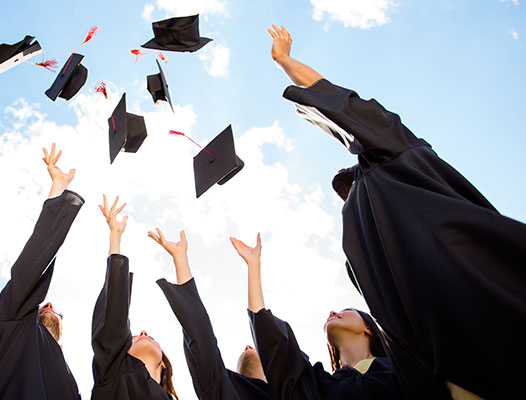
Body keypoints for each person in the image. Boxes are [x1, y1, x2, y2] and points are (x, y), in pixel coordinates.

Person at [268, 23, 526, 399]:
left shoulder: (395, 153)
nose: (349, 198)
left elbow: (343, 105)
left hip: (480, 300)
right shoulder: (359, 248)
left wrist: (286, 62)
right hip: (445, 367)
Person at [0, 144, 84, 399]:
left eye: (52, 309)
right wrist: (57, 190)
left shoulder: (72, 386)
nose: (49, 303)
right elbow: (33, 263)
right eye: (42, 307)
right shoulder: (14, 323)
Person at [230, 233, 402, 399]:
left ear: (369, 328)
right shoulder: (320, 386)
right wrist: (253, 266)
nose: (333, 313)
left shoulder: (401, 366)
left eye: (346, 310)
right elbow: (277, 350)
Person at [150, 227, 272, 399]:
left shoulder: (299, 388)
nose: (247, 347)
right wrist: (180, 259)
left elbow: (269, 335)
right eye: (251, 346)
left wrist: (254, 266)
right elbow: (201, 340)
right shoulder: (223, 392)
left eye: (253, 348)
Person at [91, 196, 178, 400]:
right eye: (134, 337)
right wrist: (115, 237)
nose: (143, 332)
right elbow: (113, 319)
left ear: (164, 364)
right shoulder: (113, 376)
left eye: (149, 337)